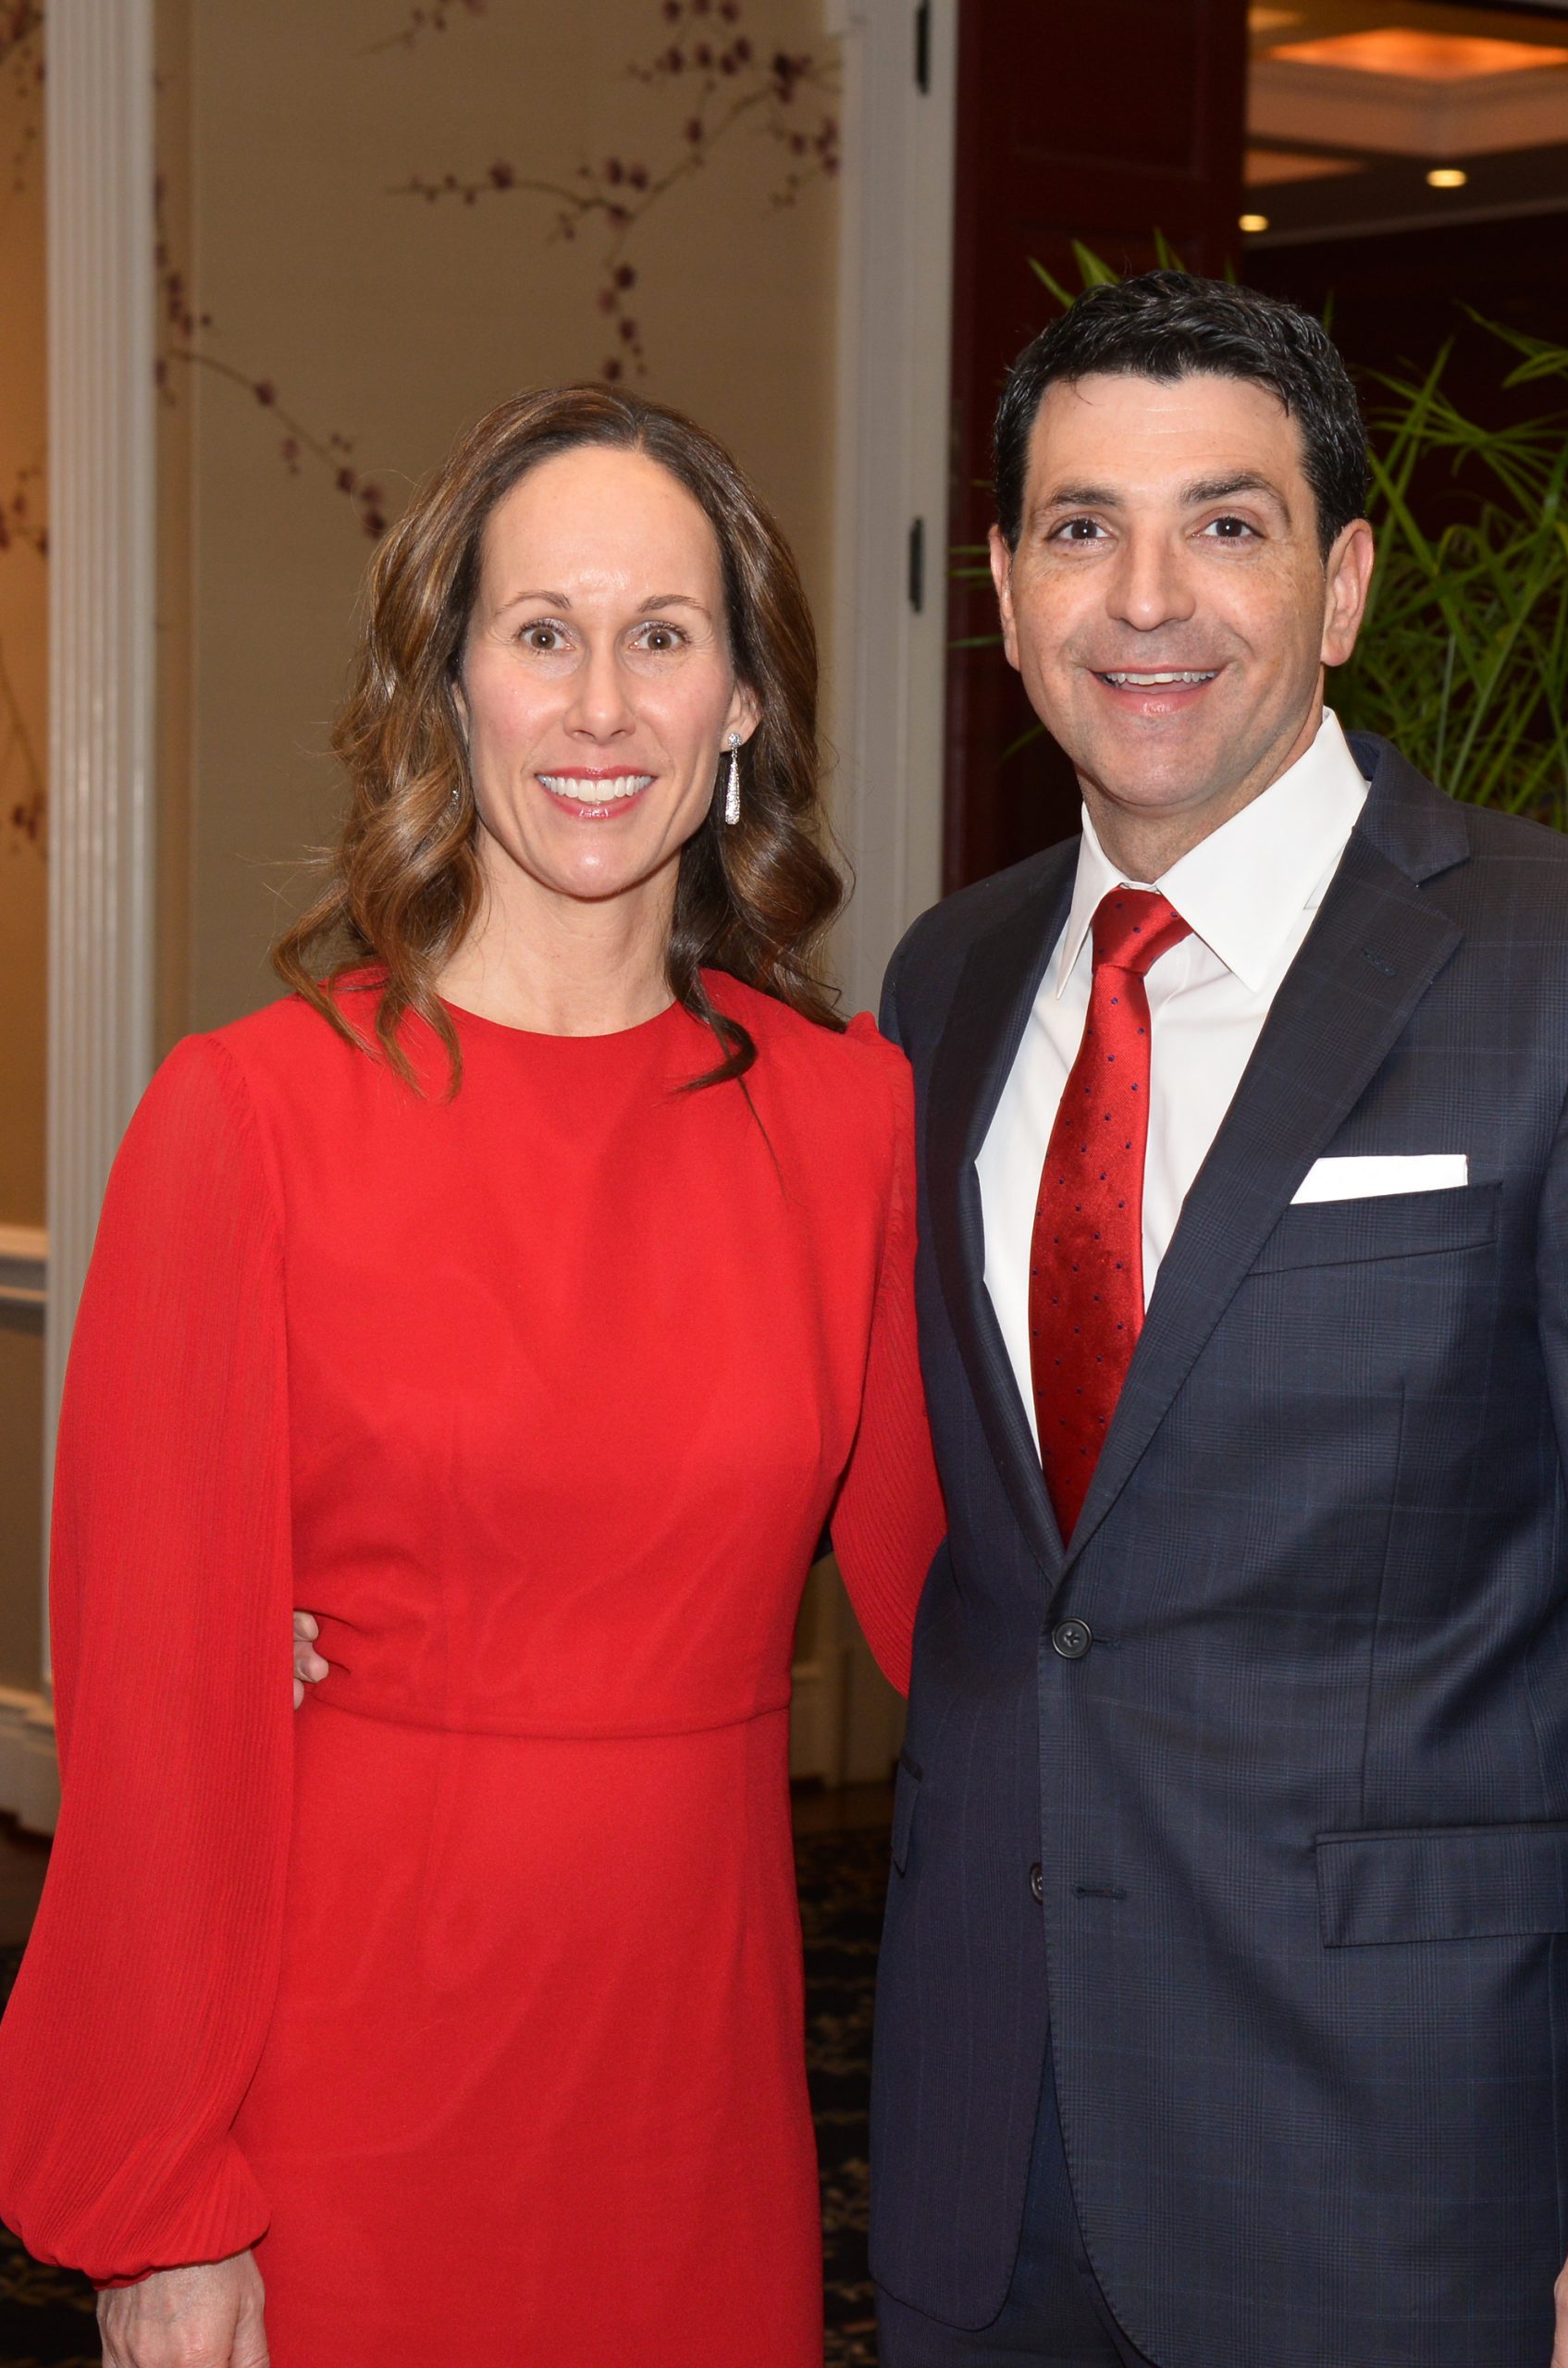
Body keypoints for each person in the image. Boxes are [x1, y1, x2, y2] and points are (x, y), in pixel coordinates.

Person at [863, 274, 1568, 2368]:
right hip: (984, 2144)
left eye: (1225, 524)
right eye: (1081, 528)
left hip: (1409, 2172)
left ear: (1343, 587)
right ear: (1008, 595)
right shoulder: (944, 987)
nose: (1147, 596)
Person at [0, 385, 944, 2367]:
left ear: (742, 700)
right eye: (540, 633)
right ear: (451, 691)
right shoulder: (248, 1121)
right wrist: (161, 2199)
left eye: (661, 636)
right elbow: (156, 1737)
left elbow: (999, 1622)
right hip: (346, 2102)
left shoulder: (850, 1122)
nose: (600, 706)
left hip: (700, 2107)